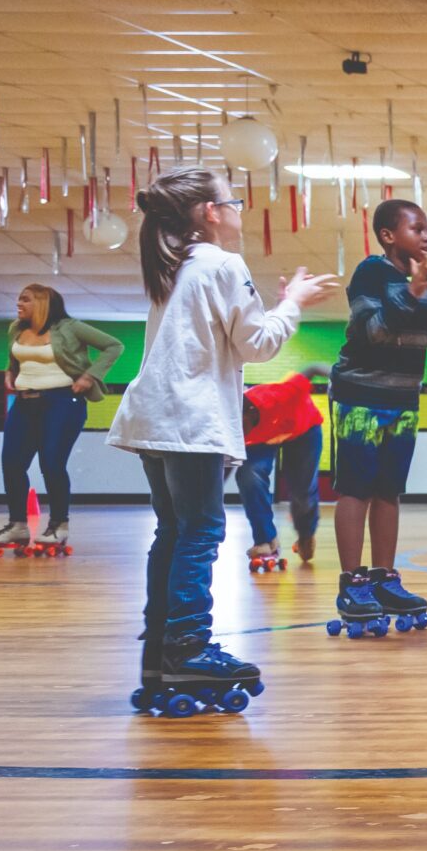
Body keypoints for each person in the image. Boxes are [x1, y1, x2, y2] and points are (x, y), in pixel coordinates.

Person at [106, 169, 333, 706]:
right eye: (230, 201)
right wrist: (294, 302)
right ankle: (187, 648)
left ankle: (160, 652)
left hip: (155, 416)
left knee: (173, 531)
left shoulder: (174, 263)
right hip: (190, 420)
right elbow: (258, 345)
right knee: (202, 531)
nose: (236, 209)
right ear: (210, 212)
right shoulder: (222, 262)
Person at [332, 198, 427, 631]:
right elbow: (372, 330)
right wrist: (413, 293)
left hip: (403, 400)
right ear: (389, 235)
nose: (426, 235)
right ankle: (352, 581)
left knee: (388, 489)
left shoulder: (421, 282)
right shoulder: (372, 273)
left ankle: (384, 578)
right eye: (417, 228)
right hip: (359, 396)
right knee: (356, 488)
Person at [0, 283, 119, 552]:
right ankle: (18, 525)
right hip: (24, 403)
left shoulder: (70, 328)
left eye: (25, 300)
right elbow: (17, 358)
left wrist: (90, 376)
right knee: (11, 462)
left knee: (51, 463)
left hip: (62, 402)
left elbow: (113, 346)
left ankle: (58, 525)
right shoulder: (17, 329)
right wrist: (9, 371)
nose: (18, 303)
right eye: (19, 299)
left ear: (43, 303)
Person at [239, 369, 324, 570]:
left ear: (250, 413)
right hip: (262, 439)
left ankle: (306, 534)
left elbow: (312, 369)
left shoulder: (279, 396)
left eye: (241, 425)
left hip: (303, 430)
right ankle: (265, 540)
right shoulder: (239, 429)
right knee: (248, 476)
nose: (238, 431)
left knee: (302, 491)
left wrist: (339, 376)